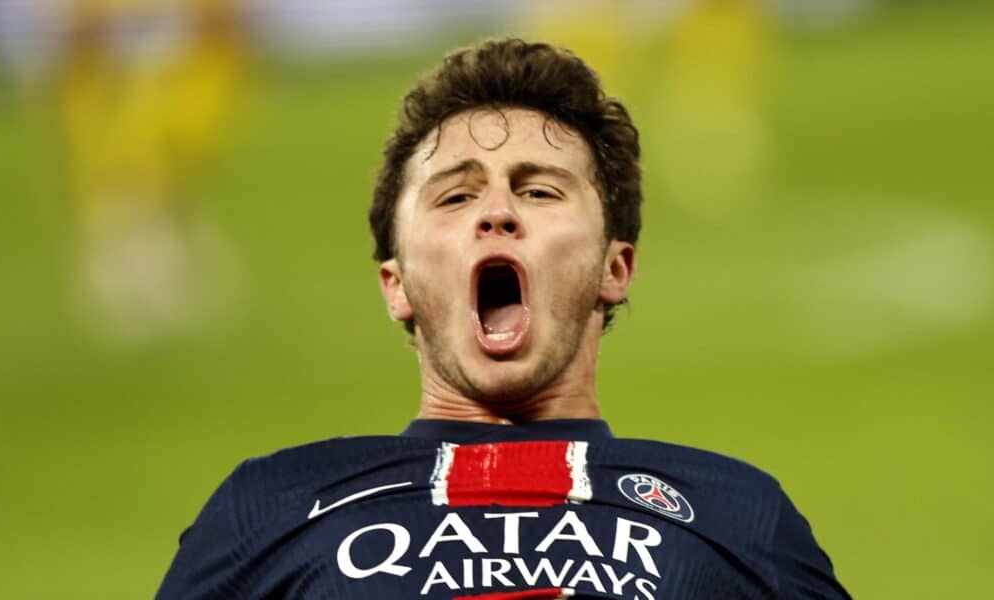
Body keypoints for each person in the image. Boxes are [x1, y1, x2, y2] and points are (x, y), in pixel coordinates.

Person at [157, 38, 849, 599]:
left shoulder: (737, 513)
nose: (497, 211)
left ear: (615, 268)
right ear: (395, 283)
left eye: (539, 189)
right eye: (455, 197)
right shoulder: (269, 508)